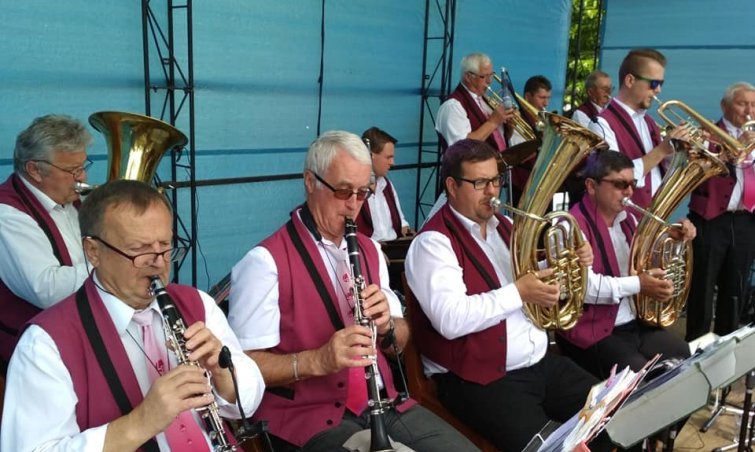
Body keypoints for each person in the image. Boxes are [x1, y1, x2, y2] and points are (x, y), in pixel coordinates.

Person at [228, 130, 477, 451]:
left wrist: (388, 325)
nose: (353, 205)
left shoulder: (369, 250)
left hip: (383, 404)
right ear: (310, 181)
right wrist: (316, 361)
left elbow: (400, 341)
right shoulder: (264, 263)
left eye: (363, 193)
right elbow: (241, 369)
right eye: (343, 191)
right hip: (308, 416)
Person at [1, 179, 265, 451]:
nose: (158, 263)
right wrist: (141, 421)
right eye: (139, 250)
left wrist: (223, 373)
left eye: (165, 246)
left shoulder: (197, 303)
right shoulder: (45, 343)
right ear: (93, 252)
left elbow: (248, 402)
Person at [405, 138, 608, 452]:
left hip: (539, 365)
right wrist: (520, 292)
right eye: (480, 183)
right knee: (551, 448)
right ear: (452, 186)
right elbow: (451, 319)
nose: (492, 192)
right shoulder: (433, 243)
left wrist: (566, 261)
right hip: (477, 380)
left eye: (495, 180)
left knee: (610, 413)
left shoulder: (505, 225)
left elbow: (522, 277)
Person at [555, 150, 692, 379]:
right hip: (591, 331)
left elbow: (647, 264)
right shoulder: (569, 225)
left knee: (682, 356)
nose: (629, 192)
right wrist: (639, 284)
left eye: (632, 184)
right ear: (591, 186)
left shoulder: (630, 219)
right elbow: (583, 288)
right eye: (620, 184)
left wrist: (675, 242)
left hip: (634, 323)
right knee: (639, 378)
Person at [0, 114, 93, 366]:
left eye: (83, 166)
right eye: (72, 170)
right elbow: (48, 289)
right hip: (34, 352)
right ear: (34, 170)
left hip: (77, 332)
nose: (82, 178)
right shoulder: (7, 215)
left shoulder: (69, 198)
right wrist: (112, 261)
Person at [685, 82, 755, 341]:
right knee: (702, 287)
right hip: (710, 219)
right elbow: (693, 175)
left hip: (746, 220)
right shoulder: (707, 134)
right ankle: (696, 346)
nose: (749, 111)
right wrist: (733, 150)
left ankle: (727, 344)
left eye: (753, 105)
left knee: (736, 289)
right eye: (742, 103)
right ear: (725, 106)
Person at [588, 48, 691, 209]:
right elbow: (615, 177)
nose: (658, 90)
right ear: (630, 81)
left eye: (661, 84)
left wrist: (676, 152)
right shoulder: (601, 123)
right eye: (654, 83)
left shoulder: (649, 122)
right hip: (623, 218)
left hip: (652, 214)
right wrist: (661, 150)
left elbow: (657, 173)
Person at [355, 127, 413, 242]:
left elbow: (402, 224)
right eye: (388, 157)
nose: (392, 163)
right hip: (367, 249)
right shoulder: (354, 189)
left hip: (393, 247)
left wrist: (412, 236)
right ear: (369, 156)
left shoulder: (387, 185)